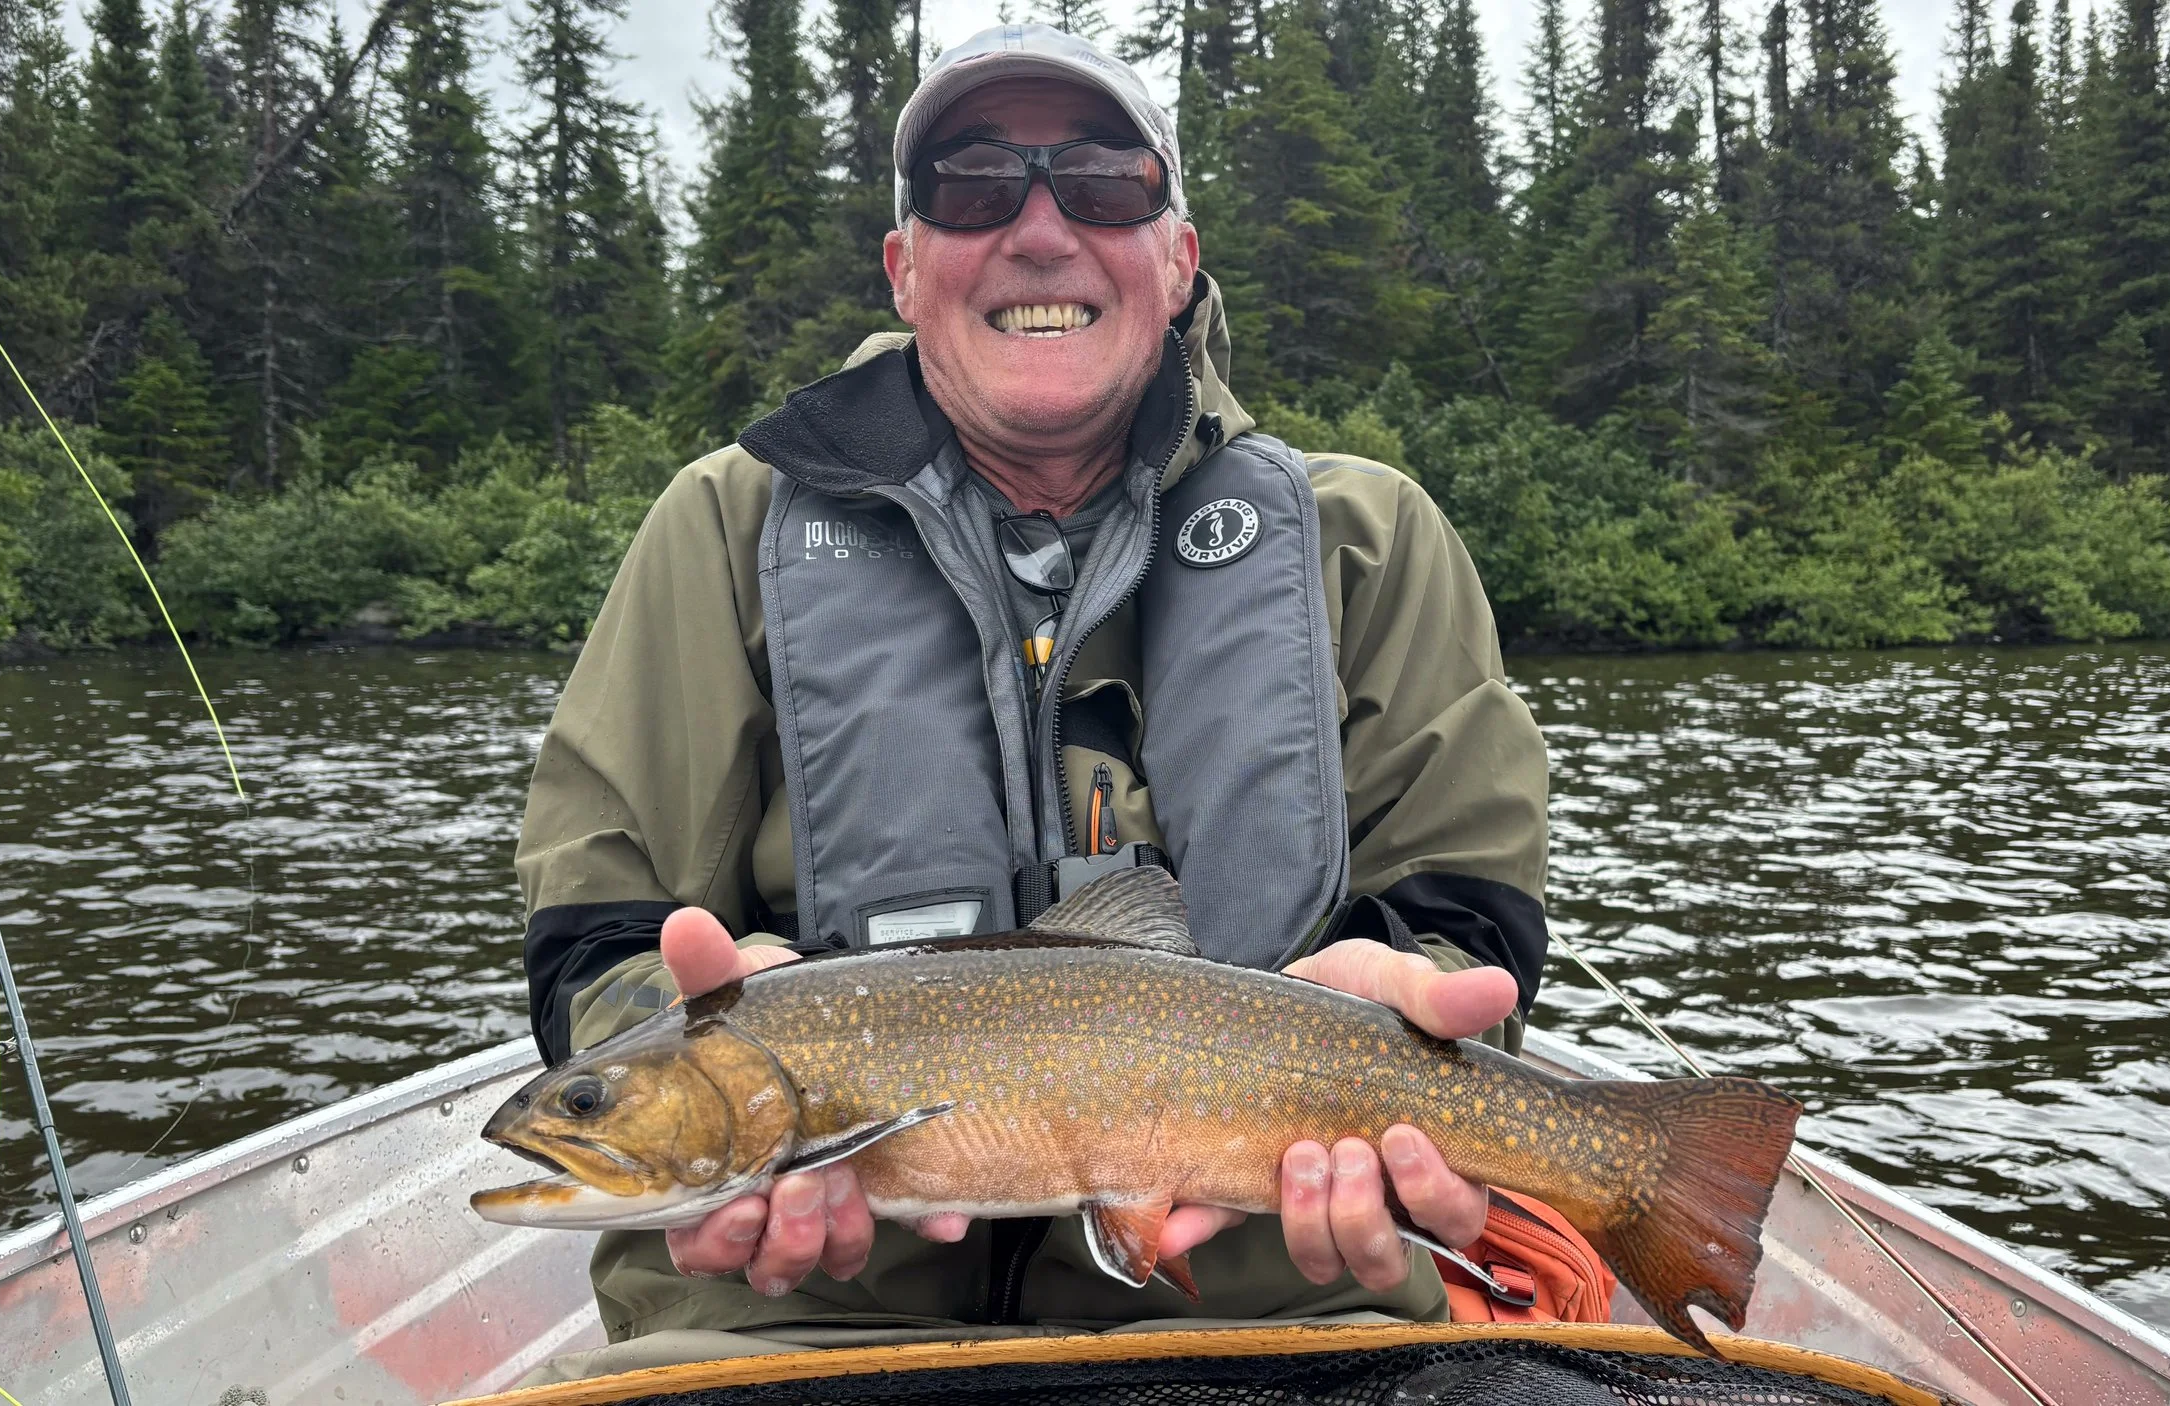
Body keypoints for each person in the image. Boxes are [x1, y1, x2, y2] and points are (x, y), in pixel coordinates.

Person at [511, 22, 1549, 1381]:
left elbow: (1466, 922)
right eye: (974, 185)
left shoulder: (1368, 541)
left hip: (1278, 1313)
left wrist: (1413, 1011)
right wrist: (714, 1022)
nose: (1041, 231)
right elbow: (594, 942)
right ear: (905, 266)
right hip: (786, 1328)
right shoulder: (724, 529)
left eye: (1106, 184)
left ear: (1177, 261)